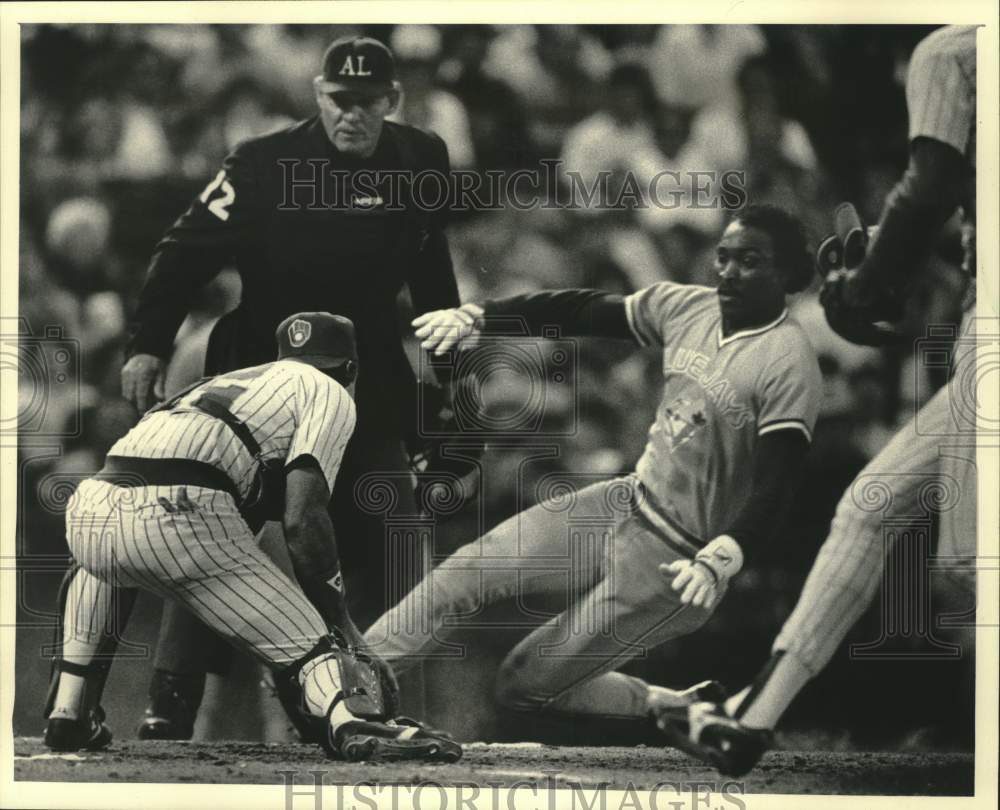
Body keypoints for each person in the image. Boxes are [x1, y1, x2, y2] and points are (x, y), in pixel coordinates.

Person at [119, 35, 467, 739]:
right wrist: (148, 345)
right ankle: (170, 701)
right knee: (211, 532)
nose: (354, 115)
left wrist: (449, 387)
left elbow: (434, 279)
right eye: (341, 100)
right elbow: (183, 252)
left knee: (395, 533)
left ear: (392, 101)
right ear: (318, 94)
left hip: (365, 374)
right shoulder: (262, 164)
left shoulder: (422, 158)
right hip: (259, 375)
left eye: (369, 103)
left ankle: (387, 699)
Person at [363, 205, 821, 738]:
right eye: (724, 257)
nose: (729, 271)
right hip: (623, 502)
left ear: (787, 274)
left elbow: (779, 480)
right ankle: (344, 689)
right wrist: (483, 315)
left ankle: (679, 712)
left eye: (750, 261)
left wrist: (727, 553)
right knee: (464, 573)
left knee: (521, 684)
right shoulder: (688, 307)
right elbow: (583, 310)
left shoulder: (789, 359)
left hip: (679, 558)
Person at [658, 25, 979, 777]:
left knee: (969, 564)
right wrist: (891, 251)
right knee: (870, 506)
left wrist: (866, 282)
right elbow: (958, 213)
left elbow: (930, 185)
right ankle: (752, 718)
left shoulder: (953, 46)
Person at [43, 312, 461, 762]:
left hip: (92, 504)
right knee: (316, 649)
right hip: (182, 511)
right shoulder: (329, 391)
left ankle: (70, 709)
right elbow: (303, 518)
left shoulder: (225, 383)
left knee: (97, 561)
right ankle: (353, 720)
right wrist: (342, 629)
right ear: (351, 370)